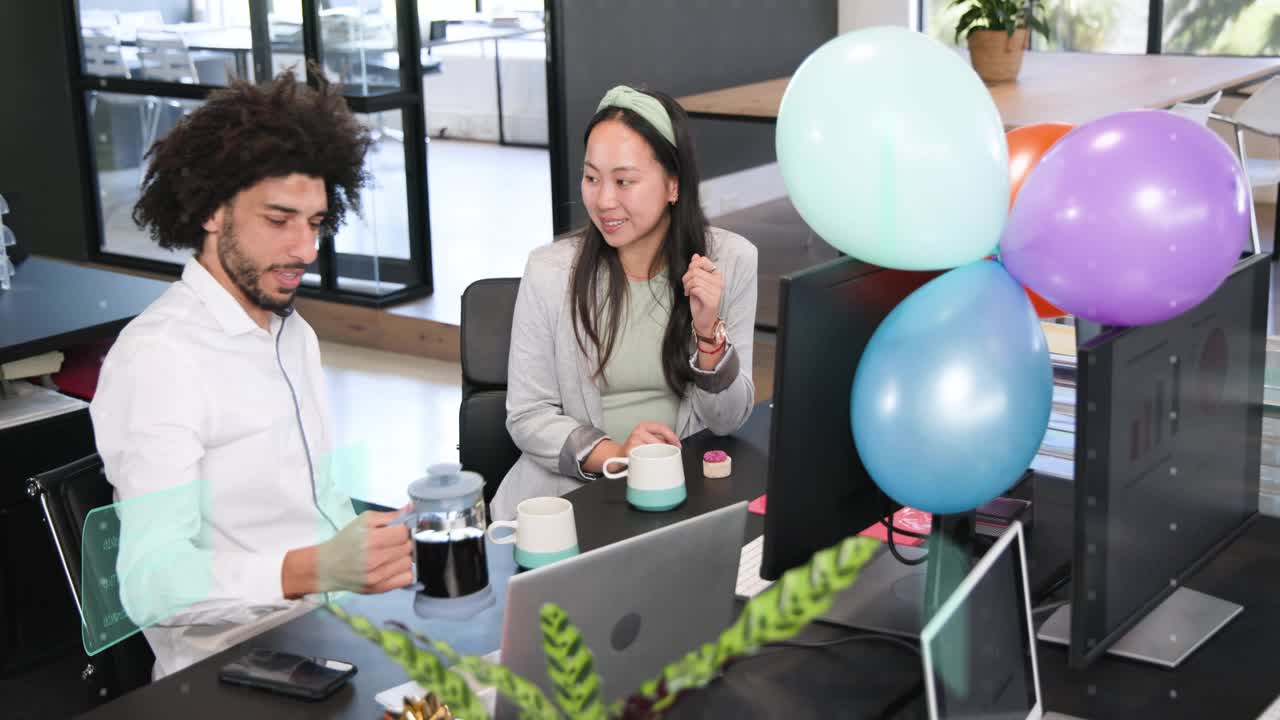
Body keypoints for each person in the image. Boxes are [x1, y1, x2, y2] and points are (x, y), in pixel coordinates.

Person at [89, 73, 413, 679]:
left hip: (328, 635)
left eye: (315, 222)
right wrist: (313, 568)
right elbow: (149, 586)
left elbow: (313, 505)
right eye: (279, 219)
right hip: (232, 673)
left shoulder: (294, 335)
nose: (306, 248)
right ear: (212, 210)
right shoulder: (161, 359)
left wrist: (374, 541)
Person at [492, 85, 758, 520]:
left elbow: (727, 421)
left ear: (673, 184)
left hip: (682, 499)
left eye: (624, 181)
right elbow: (527, 415)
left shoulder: (730, 262)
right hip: (565, 504)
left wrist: (709, 335)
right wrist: (617, 455)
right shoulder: (549, 272)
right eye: (591, 177)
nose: (602, 200)